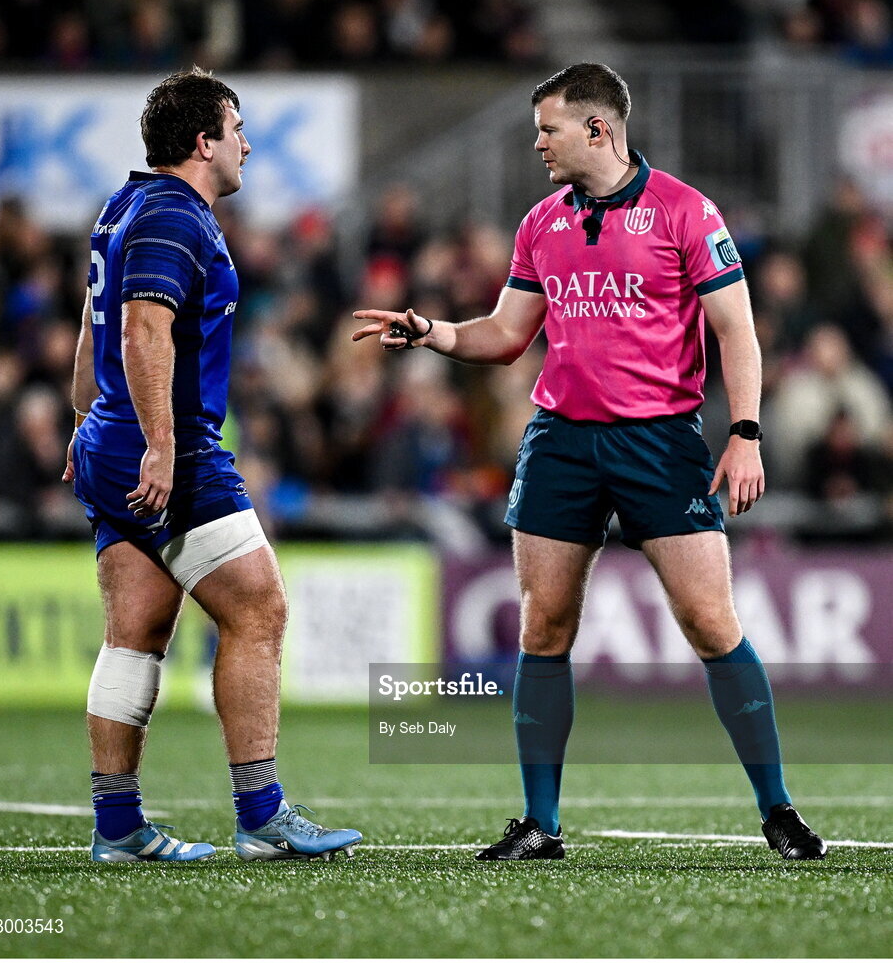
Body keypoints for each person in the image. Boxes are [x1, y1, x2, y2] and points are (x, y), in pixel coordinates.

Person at [352, 62, 827, 862]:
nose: (537, 141)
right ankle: (541, 824)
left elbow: (737, 332)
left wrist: (743, 431)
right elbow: (505, 337)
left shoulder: (685, 211)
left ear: (596, 129)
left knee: (711, 623)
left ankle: (777, 807)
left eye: (548, 128)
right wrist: (431, 330)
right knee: (543, 627)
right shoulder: (541, 223)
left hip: (660, 442)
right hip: (560, 439)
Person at [63, 67, 361, 863]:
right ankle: (262, 814)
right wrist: (157, 442)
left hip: (110, 435)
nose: (247, 145)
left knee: (135, 634)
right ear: (203, 142)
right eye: (237, 130)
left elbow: (94, 328)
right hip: (171, 446)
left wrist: (92, 417)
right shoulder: (173, 214)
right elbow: (140, 331)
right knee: (258, 609)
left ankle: (118, 827)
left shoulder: (123, 203)